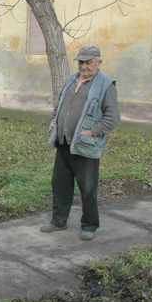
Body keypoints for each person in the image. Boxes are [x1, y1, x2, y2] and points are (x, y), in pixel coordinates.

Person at [41, 44, 120, 241]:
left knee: (88, 187)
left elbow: (113, 117)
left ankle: (90, 225)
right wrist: (53, 120)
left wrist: (93, 131)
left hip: (85, 145)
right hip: (64, 143)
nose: (84, 66)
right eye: (81, 62)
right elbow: (59, 105)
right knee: (60, 184)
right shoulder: (71, 79)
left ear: (98, 62)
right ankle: (59, 220)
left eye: (89, 62)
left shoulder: (106, 84)